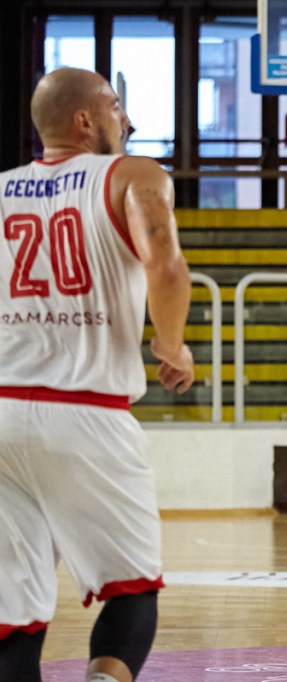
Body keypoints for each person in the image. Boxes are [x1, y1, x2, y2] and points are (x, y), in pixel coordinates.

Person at [0, 68, 194, 682]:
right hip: (86, 413)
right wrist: (172, 347)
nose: (127, 119)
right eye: (116, 106)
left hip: (2, 412)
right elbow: (166, 266)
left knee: (13, 615)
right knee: (132, 588)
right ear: (85, 120)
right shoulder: (133, 176)